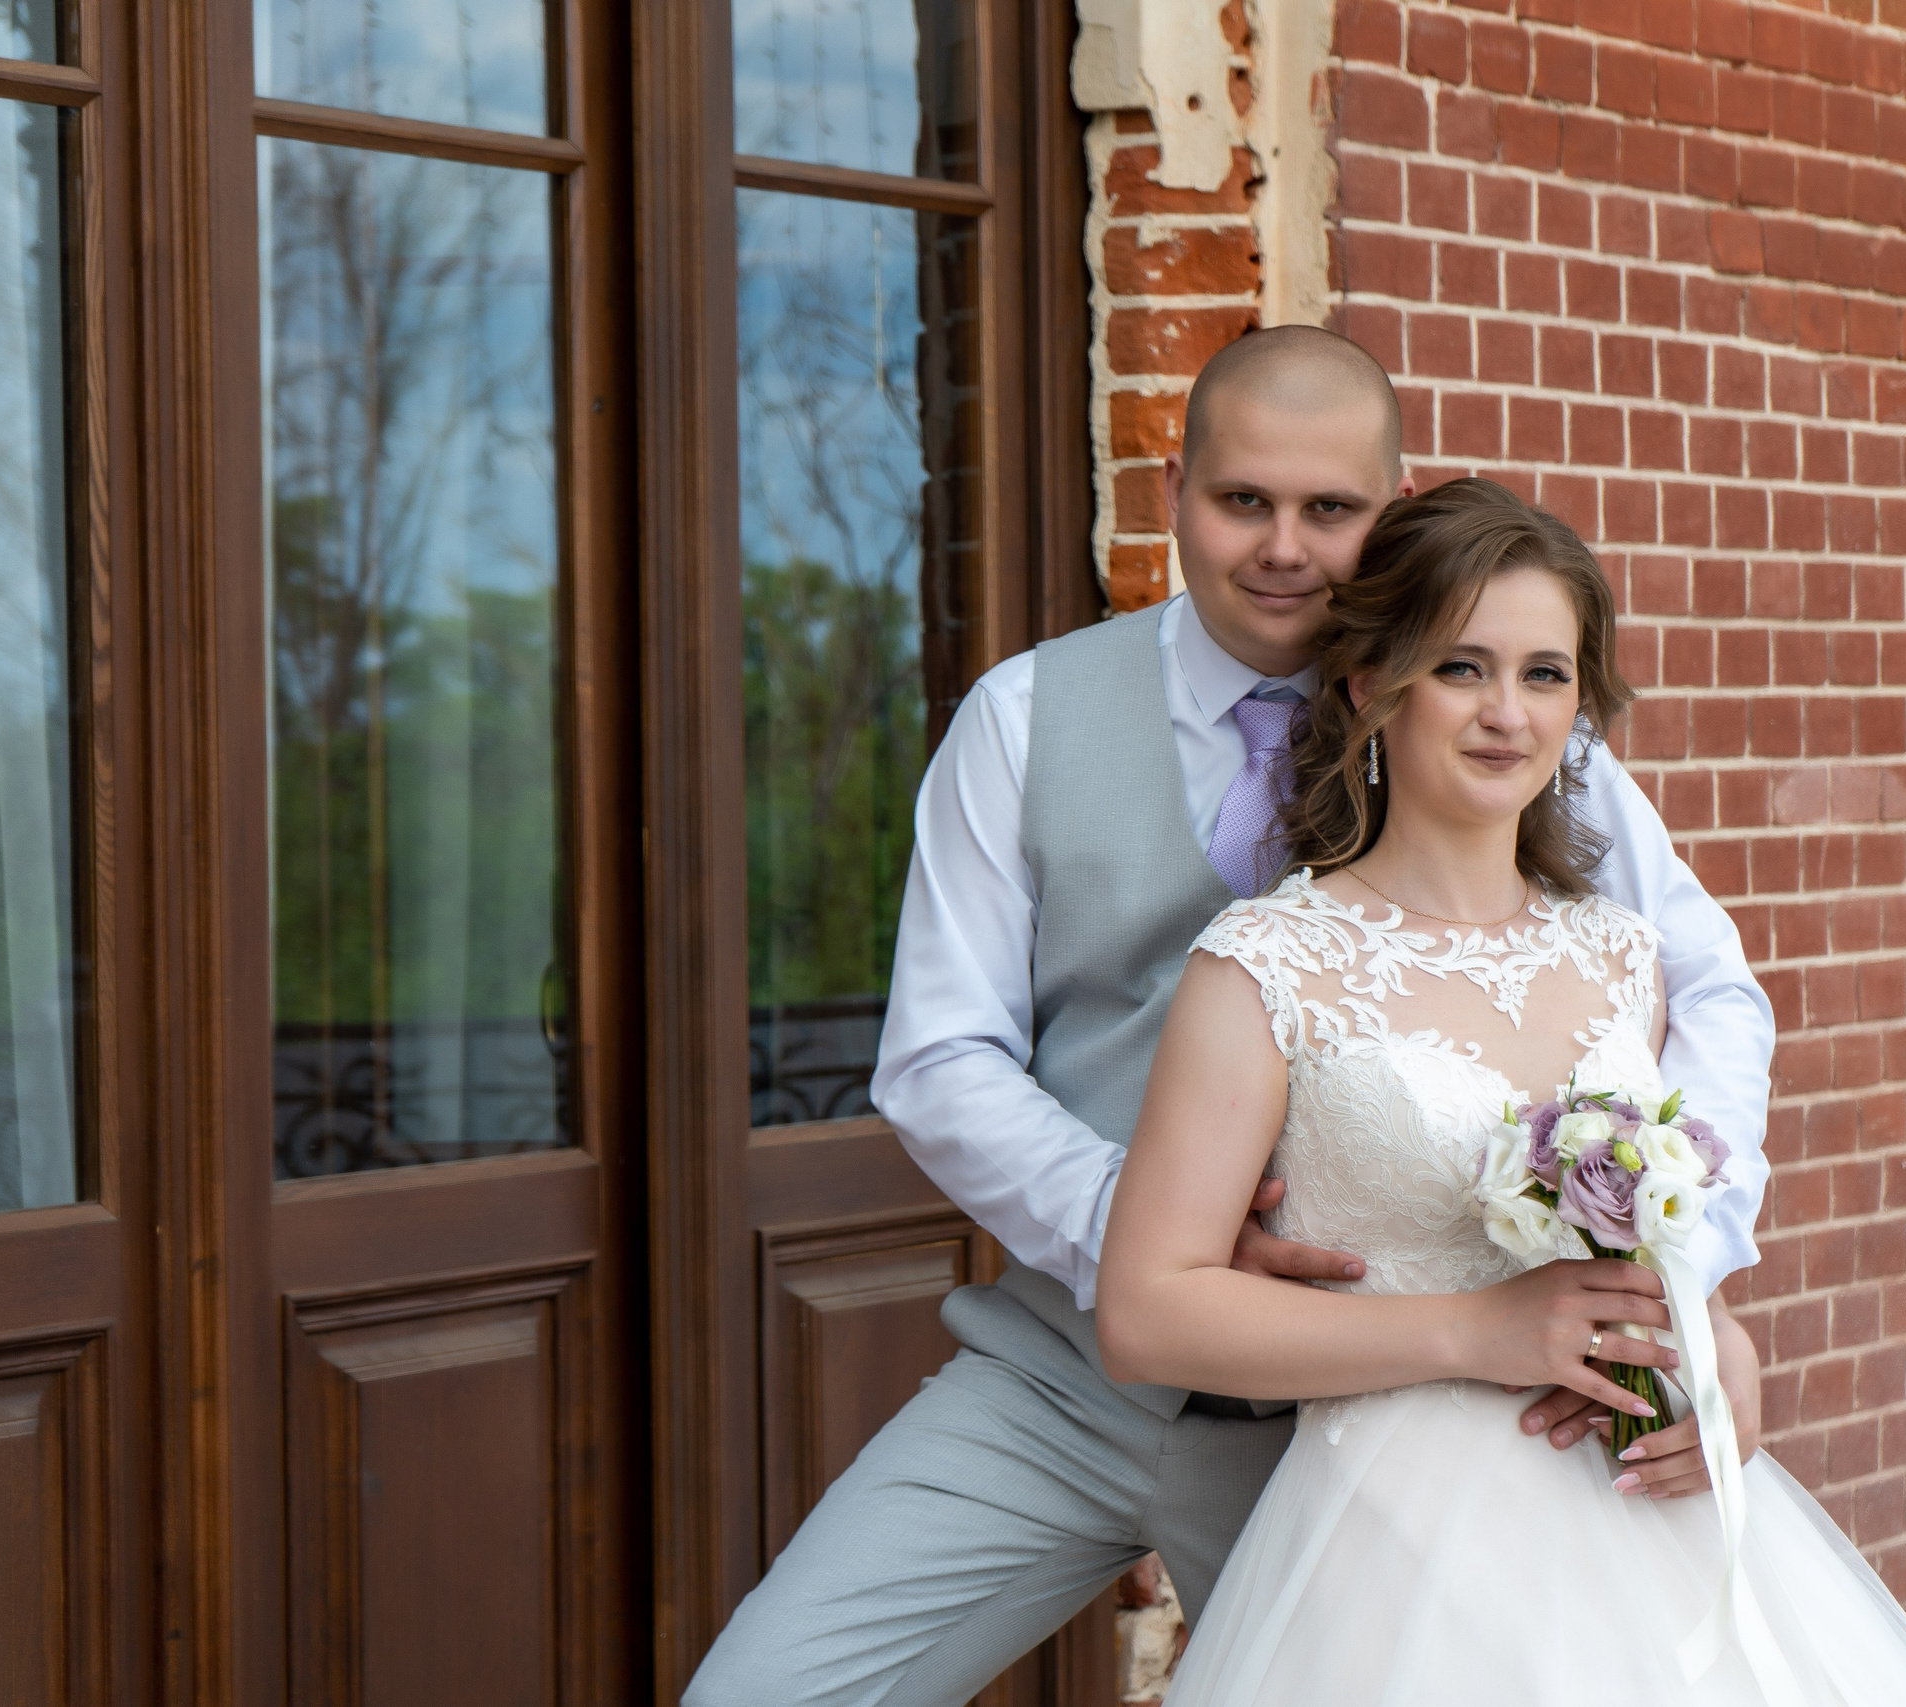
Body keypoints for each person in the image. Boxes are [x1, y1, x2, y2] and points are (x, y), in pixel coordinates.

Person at [684, 328, 1779, 1707]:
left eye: (1331, 509)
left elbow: (1700, 992)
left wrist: (1686, 1285)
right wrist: (1157, 1231)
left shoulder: (1519, 730)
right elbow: (938, 1057)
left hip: (1380, 1416)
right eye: (1242, 500)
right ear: (1172, 490)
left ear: (1389, 510)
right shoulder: (1023, 720)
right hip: (1071, 1372)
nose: (1284, 548)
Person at [1098, 477, 1906, 1704]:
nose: (1508, 713)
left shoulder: (1617, 952)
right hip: (1397, 1549)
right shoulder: (1264, 967)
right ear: (1370, 682)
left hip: (1643, 1521)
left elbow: (1642, 1230)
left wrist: (1712, 1334)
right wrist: (1472, 1333)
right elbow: (1146, 1314)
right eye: (1461, 667)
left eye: (1546, 674)